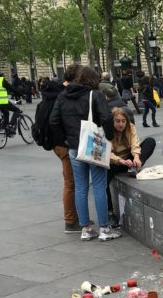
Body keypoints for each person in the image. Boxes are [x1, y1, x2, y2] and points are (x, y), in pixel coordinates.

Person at [49, 66, 119, 241]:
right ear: (93, 80)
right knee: (98, 186)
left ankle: (86, 228)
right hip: (93, 145)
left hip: (74, 147)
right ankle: (104, 228)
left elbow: (53, 121)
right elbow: (106, 117)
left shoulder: (63, 95)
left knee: (81, 187)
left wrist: (66, 139)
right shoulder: (94, 95)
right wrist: (109, 137)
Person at [34, 68, 81, 233]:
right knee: (71, 183)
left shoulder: (42, 104)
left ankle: (75, 217)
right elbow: (57, 122)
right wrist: (66, 140)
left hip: (55, 146)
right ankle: (71, 221)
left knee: (71, 182)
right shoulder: (59, 101)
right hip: (63, 145)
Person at [106, 107, 156, 226]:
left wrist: (137, 157)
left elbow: (135, 144)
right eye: (117, 121)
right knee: (103, 181)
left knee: (150, 141)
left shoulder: (131, 127)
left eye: (123, 121)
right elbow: (107, 153)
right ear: (112, 121)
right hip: (114, 161)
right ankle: (109, 213)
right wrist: (120, 161)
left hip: (129, 158)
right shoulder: (107, 130)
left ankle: (135, 167)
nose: (121, 124)